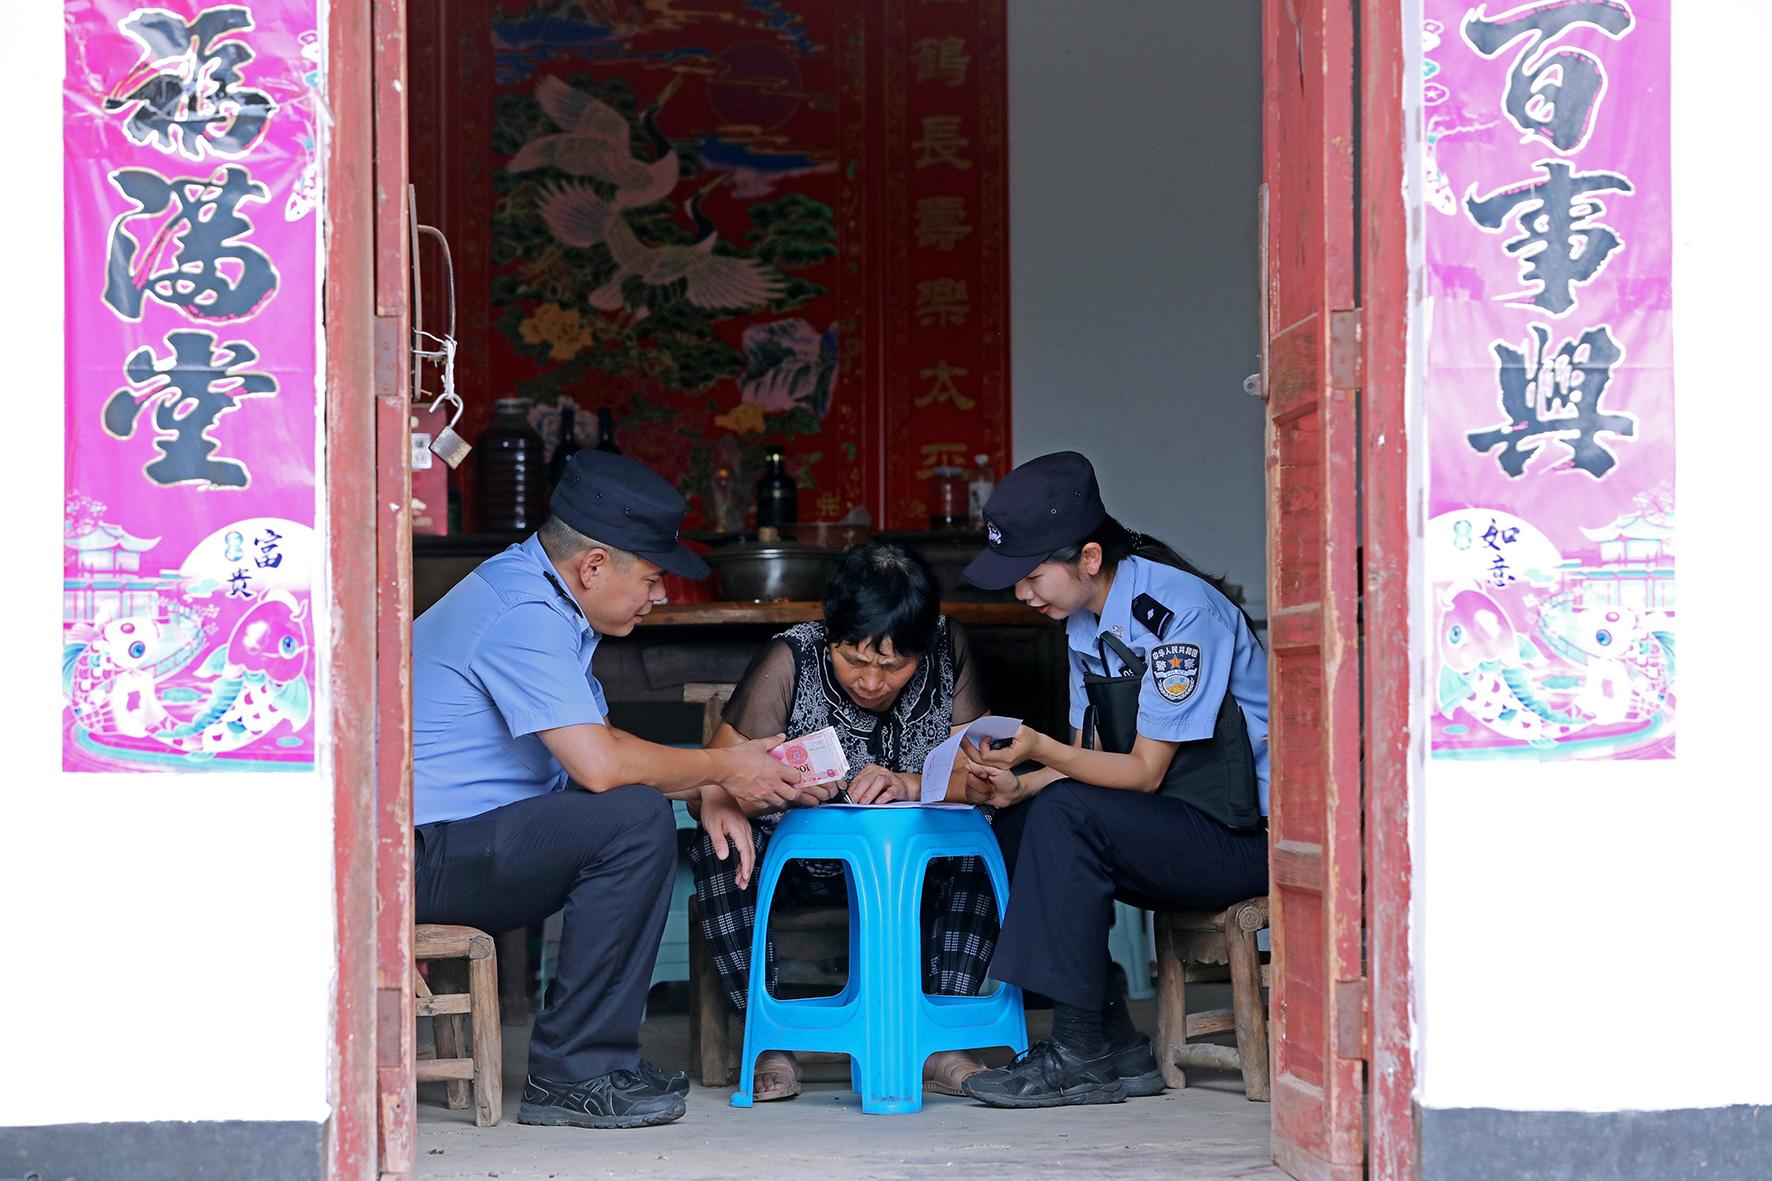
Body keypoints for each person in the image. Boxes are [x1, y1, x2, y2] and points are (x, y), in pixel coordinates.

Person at [412, 449, 821, 1130]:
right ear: (594, 565)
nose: (659, 597)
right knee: (631, 818)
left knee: (633, 810)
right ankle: (573, 1072)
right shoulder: (523, 612)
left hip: (453, 842)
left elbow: (601, 744)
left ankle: (601, 1056)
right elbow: (601, 766)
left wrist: (711, 783)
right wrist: (724, 768)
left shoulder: (541, 598)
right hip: (415, 857)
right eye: (653, 579)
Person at [955, 451, 1270, 1109]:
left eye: (1032, 576)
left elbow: (1142, 773)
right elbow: (1089, 757)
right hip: (1172, 821)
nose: (1022, 594)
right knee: (1018, 820)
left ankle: (1078, 1052)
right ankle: (1115, 1041)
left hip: (1240, 836)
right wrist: (1020, 785)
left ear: (1090, 558)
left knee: (1066, 814)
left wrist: (1039, 749)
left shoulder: (1179, 613)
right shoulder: (1083, 621)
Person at [690, 540, 999, 1101]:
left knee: (977, 839)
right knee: (719, 849)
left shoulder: (947, 647)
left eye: (894, 665)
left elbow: (985, 778)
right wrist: (752, 795)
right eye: (854, 660)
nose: (872, 682)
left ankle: (940, 1042)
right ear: (829, 633)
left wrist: (909, 784)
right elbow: (711, 781)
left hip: (911, 869)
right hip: (800, 870)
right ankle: (771, 1040)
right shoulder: (790, 658)